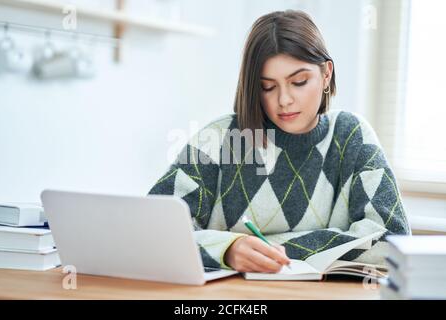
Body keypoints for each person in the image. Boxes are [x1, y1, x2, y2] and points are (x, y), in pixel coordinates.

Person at [148, 10, 410, 273]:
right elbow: (152, 228)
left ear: (326, 73)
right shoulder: (218, 140)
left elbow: (393, 240)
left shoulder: (352, 136)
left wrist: (262, 248)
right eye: (267, 87)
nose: (284, 100)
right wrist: (228, 250)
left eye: (298, 82)